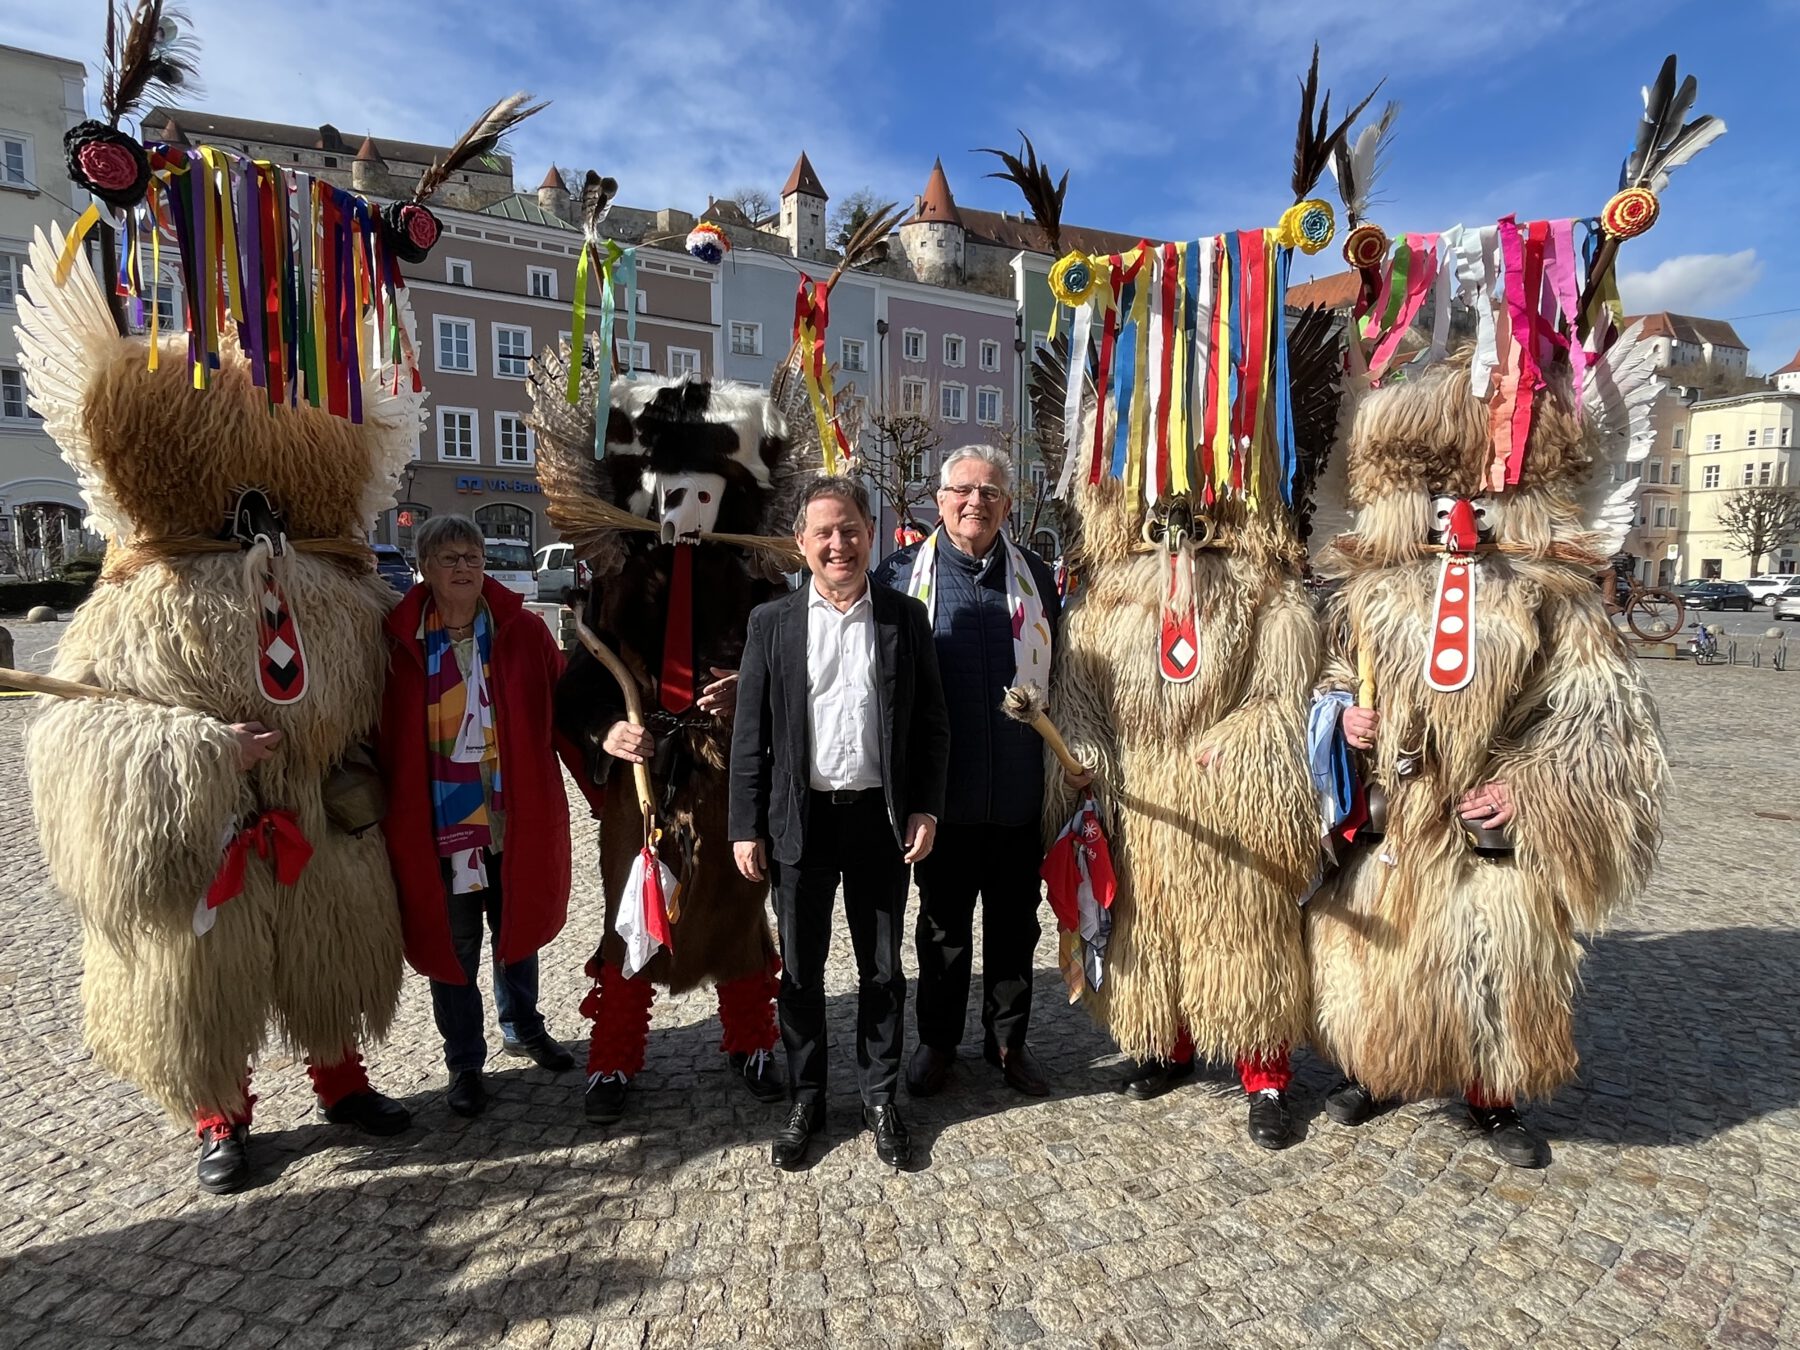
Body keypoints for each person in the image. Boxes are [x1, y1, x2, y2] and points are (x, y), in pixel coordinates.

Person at [539, 373, 796, 1127]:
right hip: (644, 783)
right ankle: (614, 1057)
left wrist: (753, 693)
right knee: (631, 913)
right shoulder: (617, 588)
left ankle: (751, 1041)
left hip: (727, 781)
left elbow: (798, 683)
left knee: (739, 909)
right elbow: (580, 686)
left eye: (703, 498)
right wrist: (605, 732)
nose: (687, 514)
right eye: (673, 497)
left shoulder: (759, 594)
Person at [729, 476, 950, 1170]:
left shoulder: (903, 619)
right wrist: (745, 824)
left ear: (869, 534)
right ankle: (807, 1095)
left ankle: (880, 1096)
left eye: (850, 528)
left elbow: (933, 726)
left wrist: (925, 806)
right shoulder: (772, 624)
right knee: (800, 973)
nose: (838, 544)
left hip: (880, 825)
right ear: (801, 543)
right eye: (823, 532)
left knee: (883, 972)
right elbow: (749, 734)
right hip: (802, 826)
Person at [380, 514, 594, 1117]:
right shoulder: (399, 642)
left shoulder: (520, 633)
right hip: (438, 823)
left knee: (515, 926)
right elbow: (378, 735)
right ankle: (464, 1063)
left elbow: (567, 718)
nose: (465, 568)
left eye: (473, 557)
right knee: (455, 944)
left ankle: (522, 1026)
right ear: (424, 567)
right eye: (450, 558)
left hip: (510, 813)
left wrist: (604, 790)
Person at [873, 446, 1061, 1099]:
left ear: (1007, 505)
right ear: (939, 498)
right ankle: (938, 1043)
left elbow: (1060, 675)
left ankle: (1009, 1042)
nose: (975, 502)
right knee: (943, 930)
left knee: (1015, 927)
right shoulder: (899, 576)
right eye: (963, 491)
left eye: (989, 493)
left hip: (1017, 792)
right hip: (941, 800)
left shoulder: (1036, 576)